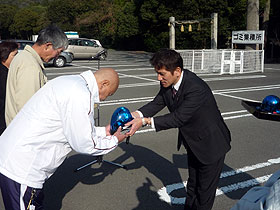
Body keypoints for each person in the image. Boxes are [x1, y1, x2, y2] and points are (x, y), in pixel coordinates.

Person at [0, 68, 128, 210]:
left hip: (14, 157)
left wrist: (105, 131)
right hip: (22, 169)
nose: (104, 98)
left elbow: (71, 127)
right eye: (108, 94)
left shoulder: (68, 82)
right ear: (104, 83)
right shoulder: (80, 94)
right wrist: (115, 140)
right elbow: (84, 144)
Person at [126, 49, 231, 210]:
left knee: (204, 193)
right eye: (157, 73)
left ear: (177, 71)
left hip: (211, 144)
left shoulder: (196, 88)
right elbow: (158, 102)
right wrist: (134, 115)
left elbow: (178, 118)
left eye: (162, 74)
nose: (158, 78)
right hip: (193, 142)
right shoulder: (170, 82)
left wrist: (145, 121)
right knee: (192, 186)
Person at [5, 24, 69, 125]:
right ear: (48, 46)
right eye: (58, 52)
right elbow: (27, 108)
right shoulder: (30, 65)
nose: (57, 57)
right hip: (25, 132)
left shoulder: (23, 57)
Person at [0, 41, 18, 135]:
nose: (17, 58)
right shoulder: (3, 75)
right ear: (4, 56)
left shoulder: (7, 71)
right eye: (14, 55)